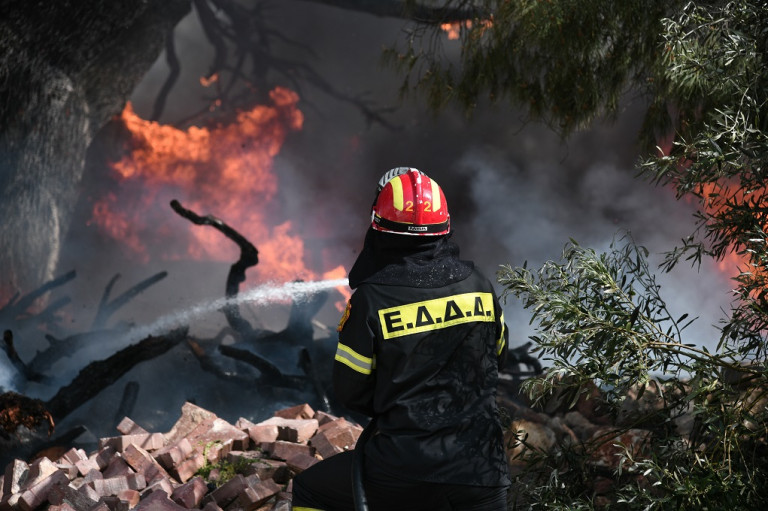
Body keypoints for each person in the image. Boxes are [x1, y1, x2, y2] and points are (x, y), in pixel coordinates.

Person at [292, 167, 510, 511]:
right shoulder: (479, 284)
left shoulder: (371, 300)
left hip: (405, 470)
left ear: (379, 231)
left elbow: (352, 391)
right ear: (445, 229)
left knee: (310, 490)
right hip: (483, 470)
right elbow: (500, 357)